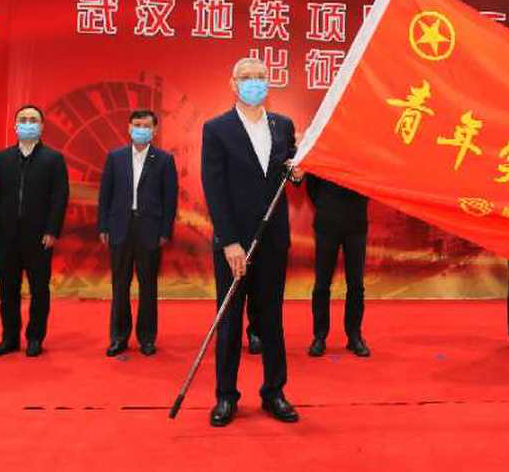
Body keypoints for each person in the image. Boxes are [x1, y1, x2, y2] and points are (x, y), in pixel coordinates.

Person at [201, 57, 303, 427]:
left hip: (272, 238)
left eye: (260, 76)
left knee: (271, 318)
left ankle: (274, 392)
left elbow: (289, 173)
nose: (254, 82)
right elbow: (214, 188)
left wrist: (298, 173)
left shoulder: (283, 125)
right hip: (235, 244)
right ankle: (226, 395)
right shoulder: (216, 129)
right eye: (247, 77)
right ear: (233, 83)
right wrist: (229, 242)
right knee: (230, 320)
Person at [0, 104, 69, 358]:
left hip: (39, 237)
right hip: (6, 236)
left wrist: (52, 230)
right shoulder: (2, 158)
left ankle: (35, 338)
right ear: (15, 125)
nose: (28, 124)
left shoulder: (53, 159)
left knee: (39, 290)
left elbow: (59, 198)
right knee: (8, 290)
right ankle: (9, 338)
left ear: (41, 126)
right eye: (23, 119)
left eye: (33, 120)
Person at [98, 109, 178, 357]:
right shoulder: (115, 157)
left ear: (155, 130)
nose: (141, 129)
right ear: (129, 128)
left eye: (146, 126)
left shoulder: (164, 160)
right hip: (120, 227)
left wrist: (165, 230)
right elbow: (105, 195)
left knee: (148, 286)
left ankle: (147, 338)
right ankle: (119, 337)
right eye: (137, 125)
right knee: (119, 285)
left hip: (150, 230)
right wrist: (103, 226)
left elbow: (170, 199)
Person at [305, 174, 370, 358]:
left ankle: (354, 336)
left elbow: (369, 183)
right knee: (322, 284)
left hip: (356, 222)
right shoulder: (324, 154)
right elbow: (312, 182)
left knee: (356, 284)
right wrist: (324, 204)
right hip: (327, 220)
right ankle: (319, 337)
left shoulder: (363, 156)